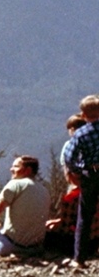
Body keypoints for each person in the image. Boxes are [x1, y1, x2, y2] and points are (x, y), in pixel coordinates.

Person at [61, 94, 99, 266]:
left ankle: (80, 258)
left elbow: (69, 158)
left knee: (85, 216)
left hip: (91, 174)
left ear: (83, 115)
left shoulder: (81, 134)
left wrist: (79, 170)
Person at [0, 156, 50, 257]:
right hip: (36, 248)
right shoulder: (44, 190)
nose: (11, 169)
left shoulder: (15, 184)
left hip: (10, 246)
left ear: (28, 170)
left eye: (16, 166)